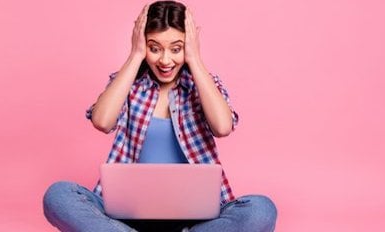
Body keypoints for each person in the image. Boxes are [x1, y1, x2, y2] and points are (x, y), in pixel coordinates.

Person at [42, 1, 277, 231]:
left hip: (196, 221)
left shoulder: (204, 85)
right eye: (155, 48)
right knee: (58, 195)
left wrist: (194, 58)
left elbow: (223, 127)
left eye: (176, 48)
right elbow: (102, 122)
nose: (165, 60)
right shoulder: (127, 84)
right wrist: (135, 55)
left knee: (261, 210)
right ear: (143, 45)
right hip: (127, 217)